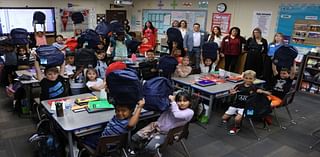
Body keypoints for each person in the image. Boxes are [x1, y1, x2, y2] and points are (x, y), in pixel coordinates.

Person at [131, 91, 194, 156]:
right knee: (135, 137)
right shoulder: (174, 106)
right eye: (179, 101)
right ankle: (138, 150)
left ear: (190, 102)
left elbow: (177, 115)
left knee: (150, 148)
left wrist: (173, 102)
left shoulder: (190, 112)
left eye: (185, 101)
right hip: (155, 125)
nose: (182, 103)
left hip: (165, 134)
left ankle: (151, 153)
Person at [220, 70, 265, 135]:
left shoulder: (255, 88)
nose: (248, 80)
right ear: (243, 78)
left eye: (250, 78)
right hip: (236, 105)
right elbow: (232, 93)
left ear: (254, 79)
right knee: (223, 118)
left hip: (246, 107)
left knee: (237, 119)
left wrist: (262, 92)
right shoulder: (239, 86)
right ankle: (231, 115)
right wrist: (231, 93)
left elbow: (264, 93)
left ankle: (237, 127)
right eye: (246, 78)